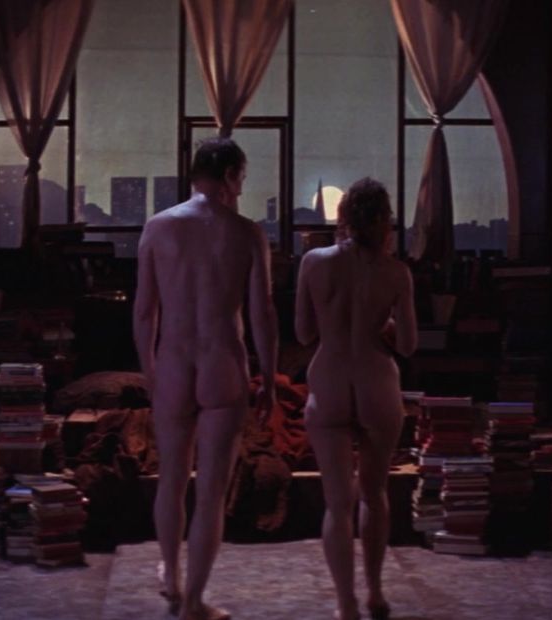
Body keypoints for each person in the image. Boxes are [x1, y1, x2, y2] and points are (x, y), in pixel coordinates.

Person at [133, 137, 278, 620]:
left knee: (172, 480)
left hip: (174, 364)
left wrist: (150, 371)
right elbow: (262, 315)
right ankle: (194, 601)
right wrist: (269, 377)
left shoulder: (158, 227)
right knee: (211, 493)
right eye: (242, 178)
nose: (242, 188)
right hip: (223, 366)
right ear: (231, 176)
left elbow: (144, 313)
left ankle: (171, 577)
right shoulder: (247, 233)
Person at [295, 178, 417, 620]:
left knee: (337, 503)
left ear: (343, 217)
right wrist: (383, 326)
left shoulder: (313, 262)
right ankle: (376, 593)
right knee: (375, 492)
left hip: (329, 382)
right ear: (385, 221)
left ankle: (345, 603)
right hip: (376, 384)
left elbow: (303, 333)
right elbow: (408, 345)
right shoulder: (396, 273)